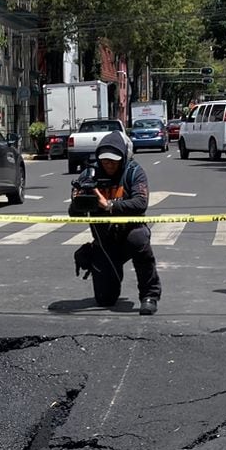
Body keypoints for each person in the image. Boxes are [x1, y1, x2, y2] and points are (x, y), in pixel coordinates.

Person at [71, 131, 160, 315]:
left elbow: (140, 203)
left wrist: (109, 204)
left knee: (140, 241)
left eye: (113, 160)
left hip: (130, 232)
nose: (108, 164)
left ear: (123, 158)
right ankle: (98, 261)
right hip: (104, 240)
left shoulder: (134, 172)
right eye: (104, 160)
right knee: (105, 300)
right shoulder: (89, 175)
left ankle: (149, 295)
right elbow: (73, 212)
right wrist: (78, 199)